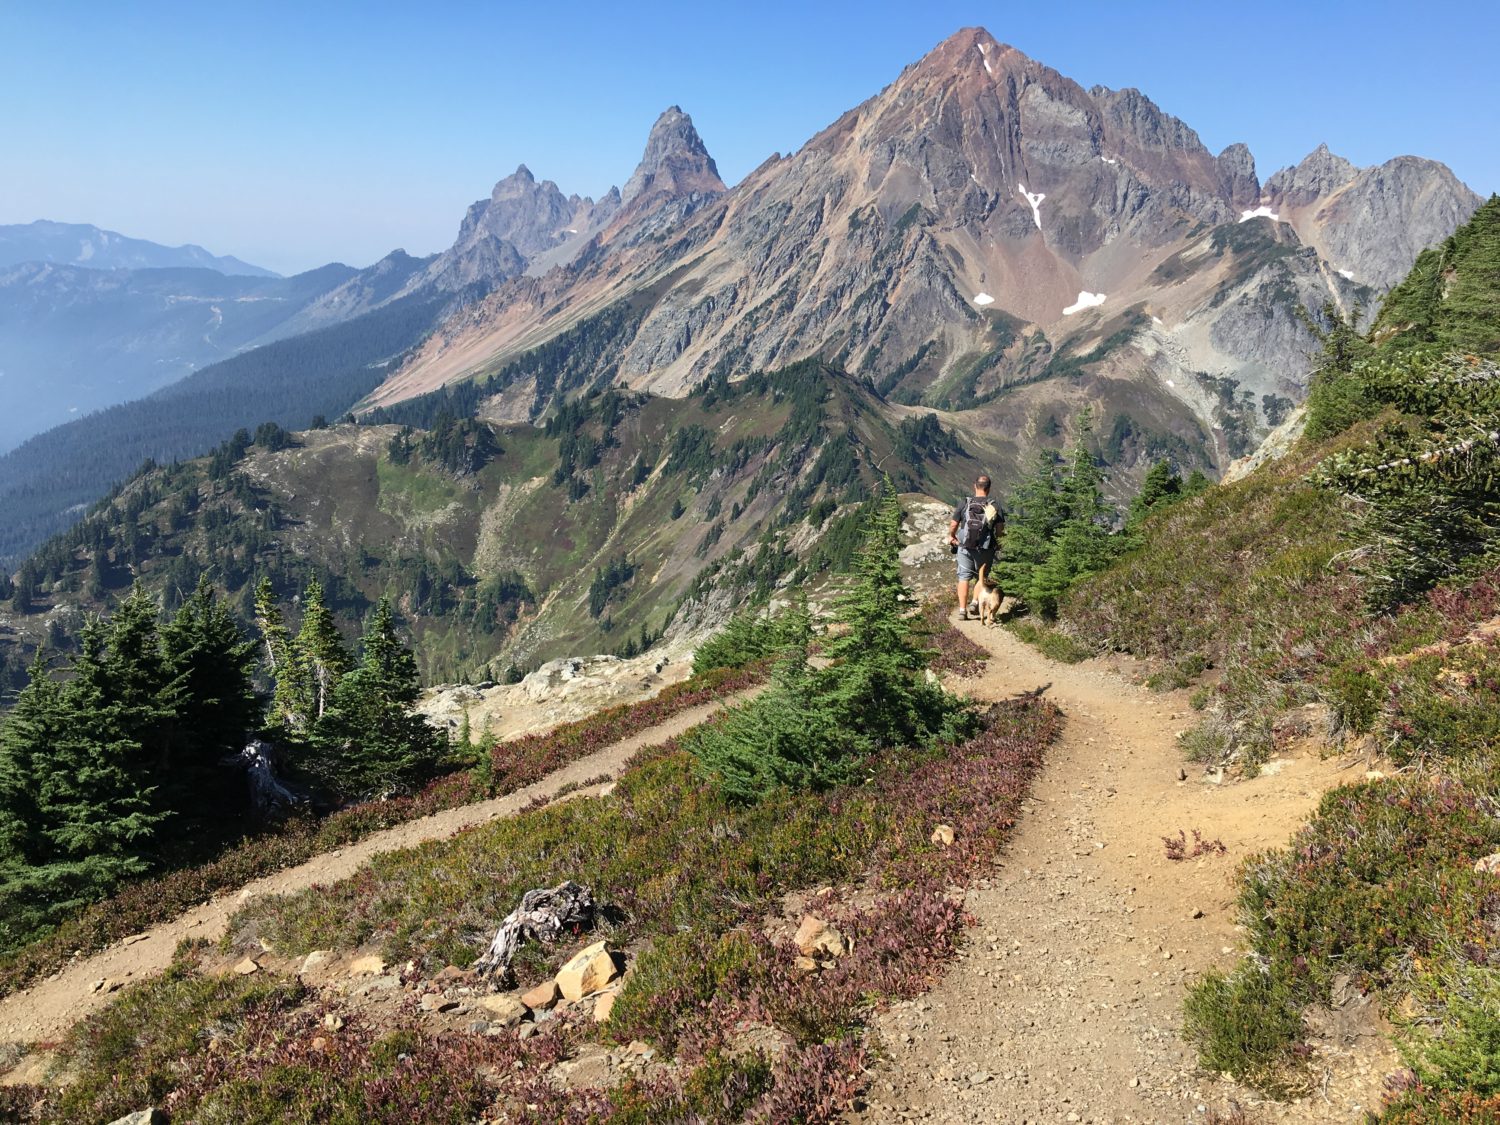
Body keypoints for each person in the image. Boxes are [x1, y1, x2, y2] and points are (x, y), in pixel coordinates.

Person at [948, 475, 1002, 620]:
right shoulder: (994, 505)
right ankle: (974, 602)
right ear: (989, 488)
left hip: (965, 546)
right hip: (985, 548)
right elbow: (999, 529)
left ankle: (961, 611)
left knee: (963, 577)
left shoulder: (965, 502)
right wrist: (998, 541)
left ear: (975, 486)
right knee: (981, 576)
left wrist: (952, 536)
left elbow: (954, 524)